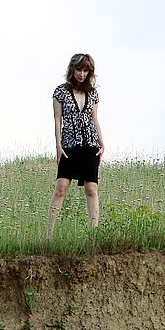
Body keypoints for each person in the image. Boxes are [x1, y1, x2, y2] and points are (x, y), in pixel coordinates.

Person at [48, 53, 105, 237]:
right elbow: (57, 120)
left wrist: (102, 143)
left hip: (90, 144)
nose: (82, 74)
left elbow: (94, 119)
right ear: (72, 69)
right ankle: (49, 234)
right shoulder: (60, 92)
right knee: (61, 188)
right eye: (79, 69)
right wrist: (58, 145)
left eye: (86, 70)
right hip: (69, 145)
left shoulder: (93, 94)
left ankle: (93, 235)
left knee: (91, 188)